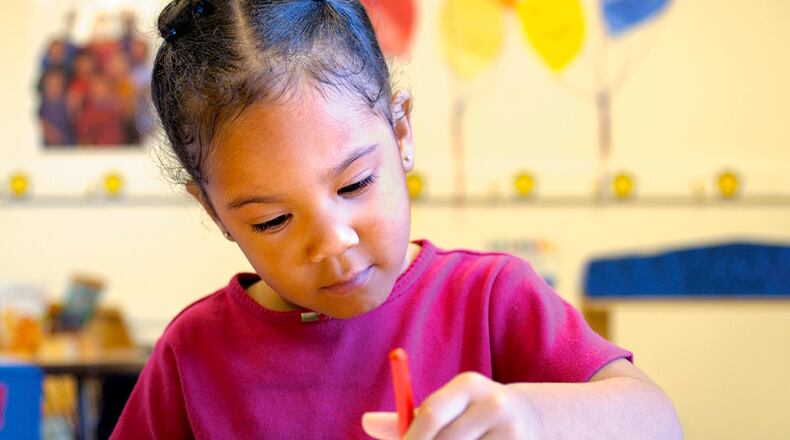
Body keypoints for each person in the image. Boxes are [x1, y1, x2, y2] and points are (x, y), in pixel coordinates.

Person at [112, 1, 681, 438]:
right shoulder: (192, 353)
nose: (333, 242)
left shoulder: (489, 300)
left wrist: (532, 415)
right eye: (273, 220)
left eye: (355, 184)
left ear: (402, 133)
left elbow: (657, 421)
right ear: (214, 213)